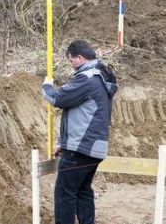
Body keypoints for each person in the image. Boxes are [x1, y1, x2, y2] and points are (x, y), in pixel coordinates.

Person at [42, 40, 117, 224]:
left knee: (64, 193)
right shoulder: (101, 77)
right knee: (83, 192)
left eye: (71, 61)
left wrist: (47, 86)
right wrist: (63, 143)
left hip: (81, 149)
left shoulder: (87, 78)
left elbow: (58, 99)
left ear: (80, 58)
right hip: (93, 149)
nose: (71, 65)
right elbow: (82, 115)